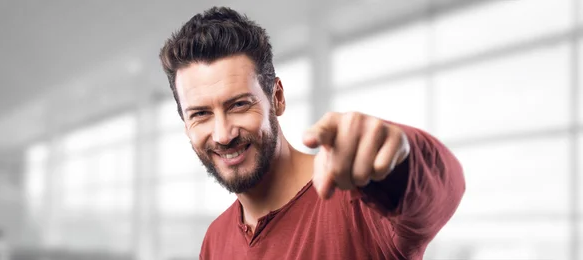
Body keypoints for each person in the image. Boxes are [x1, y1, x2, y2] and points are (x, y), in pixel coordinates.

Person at [158, 6, 465, 260]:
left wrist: (401, 157)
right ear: (186, 124)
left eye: (239, 105)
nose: (223, 134)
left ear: (276, 97)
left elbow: (441, 189)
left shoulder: (358, 202)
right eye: (200, 114)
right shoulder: (215, 240)